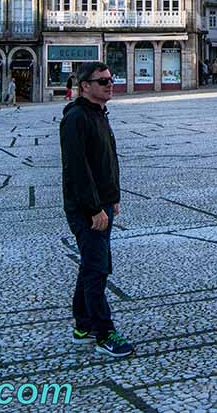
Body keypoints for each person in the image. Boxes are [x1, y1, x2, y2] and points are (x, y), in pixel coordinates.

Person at [60, 61, 134, 358]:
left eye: (110, 79)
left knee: (93, 266)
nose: (109, 84)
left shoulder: (99, 114)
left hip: (102, 203)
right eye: (102, 81)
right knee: (97, 269)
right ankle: (104, 334)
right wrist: (93, 209)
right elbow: (77, 169)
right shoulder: (77, 118)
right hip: (86, 209)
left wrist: (112, 197)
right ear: (85, 86)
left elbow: (105, 160)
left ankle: (82, 326)